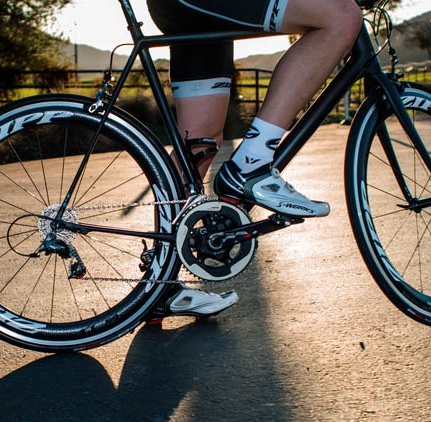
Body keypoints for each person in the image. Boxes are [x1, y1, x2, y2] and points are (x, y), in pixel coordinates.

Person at [148, 0, 363, 318]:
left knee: (198, 145)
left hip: (196, 13)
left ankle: (157, 282)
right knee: (343, 17)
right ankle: (252, 162)